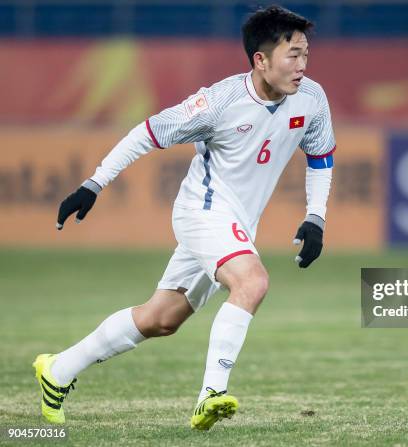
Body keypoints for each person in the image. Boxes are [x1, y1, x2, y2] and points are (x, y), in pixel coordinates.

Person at [32, 5, 335, 431]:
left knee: (161, 319)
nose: (302, 66)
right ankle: (211, 394)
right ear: (260, 60)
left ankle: (57, 370)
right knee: (253, 281)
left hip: (237, 225)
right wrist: (94, 184)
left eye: (306, 54)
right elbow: (148, 133)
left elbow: (321, 158)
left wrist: (316, 218)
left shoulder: (312, 98)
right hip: (203, 211)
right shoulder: (217, 102)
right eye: (292, 55)